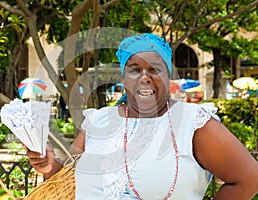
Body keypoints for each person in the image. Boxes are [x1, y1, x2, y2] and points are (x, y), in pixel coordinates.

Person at [25, 33, 258, 199]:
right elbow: (68, 180)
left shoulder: (193, 123)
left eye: (154, 69)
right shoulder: (98, 121)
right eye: (135, 69)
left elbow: (249, 177)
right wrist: (48, 166)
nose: (144, 77)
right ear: (124, 77)